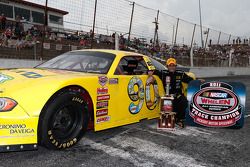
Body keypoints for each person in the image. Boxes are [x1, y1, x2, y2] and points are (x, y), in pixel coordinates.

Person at [156, 58, 204, 128]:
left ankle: (179, 119)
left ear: (175, 66)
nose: (172, 67)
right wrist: (150, 75)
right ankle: (172, 119)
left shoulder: (180, 73)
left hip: (178, 95)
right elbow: (154, 71)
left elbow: (189, 79)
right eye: (170, 65)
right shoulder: (163, 73)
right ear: (167, 66)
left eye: (173, 65)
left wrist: (197, 80)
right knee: (171, 107)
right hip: (168, 96)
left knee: (184, 102)